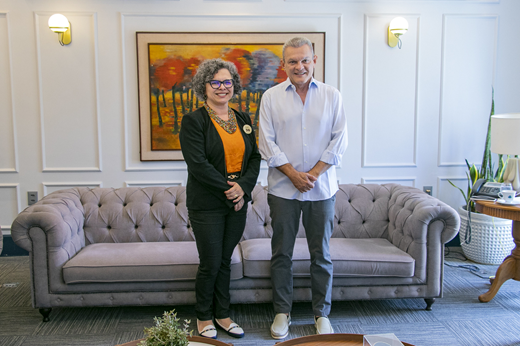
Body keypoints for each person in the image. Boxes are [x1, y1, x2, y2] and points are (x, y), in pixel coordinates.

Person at [258, 37, 348, 339]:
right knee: (281, 253)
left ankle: (322, 314)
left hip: (322, 191)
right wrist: (293, 174)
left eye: (304, 60)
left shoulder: (332, 96)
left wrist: (313, 174)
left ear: (315, 60)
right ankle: (282, 313)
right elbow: (266, 142)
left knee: (320, 254)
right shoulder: (271, 97)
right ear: (284, 65)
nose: (299, 66)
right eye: (293, 61)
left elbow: (340, 140)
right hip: (283, 190)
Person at [180, 58, 261, 339]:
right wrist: (231, 189)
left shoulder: (243, 119)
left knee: (225, 261)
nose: (222, 87)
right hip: (207, 203)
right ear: (204, 87)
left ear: (234, 85)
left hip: (238, 203)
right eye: (215, 82)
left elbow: (254, 158)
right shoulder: (193, 121)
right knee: (211, 262)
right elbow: (198, 164)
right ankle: (204, 317)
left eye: (227, 82)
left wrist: (243, 189)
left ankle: (223, 315)